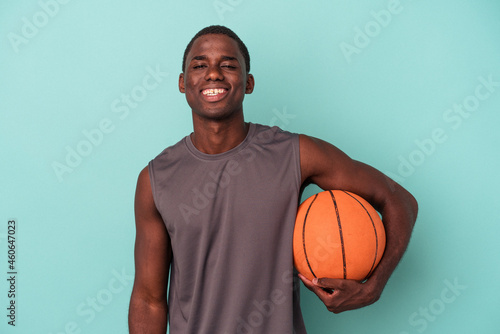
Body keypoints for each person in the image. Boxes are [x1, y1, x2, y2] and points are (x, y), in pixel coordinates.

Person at [128, 25, 418, 334]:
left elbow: (398, 200)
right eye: (200, 65)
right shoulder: (156, 179)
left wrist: (374, 286)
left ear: (248, 83)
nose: (213, 73)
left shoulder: (295, 153)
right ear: (183, 83)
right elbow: (148, 300)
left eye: (228, 65)